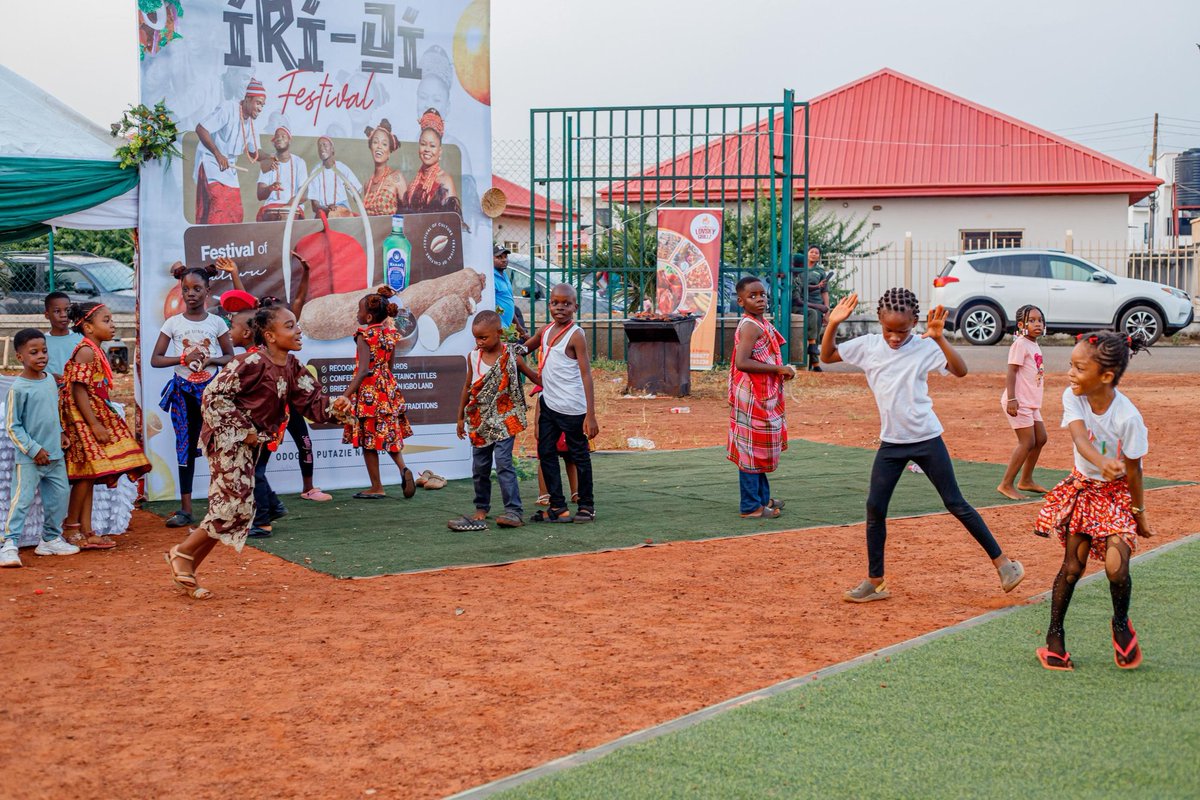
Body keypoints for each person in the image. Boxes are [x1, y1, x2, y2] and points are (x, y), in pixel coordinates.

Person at [821, 289, 1025, 602]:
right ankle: (875, 581)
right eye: (888, 330)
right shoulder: (869, 346)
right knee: (875, 507)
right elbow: (827, 356)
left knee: (955, 502)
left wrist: (939, 338)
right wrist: (833, 323)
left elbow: (960, 370)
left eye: (902, 331)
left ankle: (1005, 566)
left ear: (915, 323)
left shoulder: (924, 346)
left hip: (927, 438)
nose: (894, 338)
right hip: (892, 443)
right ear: (879, 322)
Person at [164, 305, 352, 599]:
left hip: (251, 443)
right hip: (227, 439)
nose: (298, 330)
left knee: (236, 511)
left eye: (296, 325)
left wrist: (335, 408)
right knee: (231, 505)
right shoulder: (249, 362)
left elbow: (313, 403)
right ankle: (182, 552)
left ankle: (186, 564)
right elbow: (213, 396)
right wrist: (244, 429)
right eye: (290, 326)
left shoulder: (292, 367)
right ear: (270, 336)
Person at [1034, 332, 1153, 671]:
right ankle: (1054, 639)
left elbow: (1135, 473)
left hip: (1117, 496)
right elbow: (1079, 438)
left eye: (1079, 367)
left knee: (1117, 569)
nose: (1070, 373)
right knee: (1073, 567)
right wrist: (1102, 464)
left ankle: (1120, 624)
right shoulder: (1074, 398)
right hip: (1085, 488)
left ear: (1105, 376)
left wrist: (1139, 515)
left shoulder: (1128, 418)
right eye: (1071, 365)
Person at [216, 255, 332, 510]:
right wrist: (235, 273)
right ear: (265, 331)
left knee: (302, 443)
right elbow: (243, 302)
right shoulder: (255, 354)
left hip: (289, 399)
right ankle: (268, 510)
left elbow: (299, 301)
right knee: (258, 462)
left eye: (291, 323)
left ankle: (306, 489)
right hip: (266, 408)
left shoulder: (289, 364)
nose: (294, 330)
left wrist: (307, 273)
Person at [59, 302, 151, 550]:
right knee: (85, 474)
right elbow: (78, 390)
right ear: (89, 327)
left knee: (91, 473)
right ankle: (71, 528)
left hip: (92, 413)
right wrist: (94, 424)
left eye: (111, 320)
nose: (113, 325)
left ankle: (88, 530)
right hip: (83, 417)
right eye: (106, 320)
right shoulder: (86, 351)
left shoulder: (94, 349)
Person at [152, 264, 235, 529]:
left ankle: (218, 508)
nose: (191, 294)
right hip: (184, 393)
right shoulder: (173, 323)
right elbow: (156, 359)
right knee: (185, 448)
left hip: (211, 394)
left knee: (215, 448)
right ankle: (186, 509)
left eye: (197, 289)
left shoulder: (216, 322)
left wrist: (211, 359)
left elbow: (230, 356)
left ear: (208, 292)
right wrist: (184, 358)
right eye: (186, 289)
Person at [449, 311, 539, 531]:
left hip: (504, 419)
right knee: (480, 466)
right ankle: (481, 507)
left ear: (499, 333)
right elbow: (467, 387)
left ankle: (513, 511)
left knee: (504, 462)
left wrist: (552, 385)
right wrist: (460, 417)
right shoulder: (472, 357)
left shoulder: (511, 356)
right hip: (480, 421)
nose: (479, 343)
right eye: (476, 338)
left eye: (484, 338)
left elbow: (532, 375)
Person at [1, 330, 78, 567]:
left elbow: (52, 414)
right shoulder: (18, 388)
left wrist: (62, 434)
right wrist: (34, 450)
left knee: (60, 497)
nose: (41, 356)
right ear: (19, 357)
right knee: (21, 500)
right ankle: (9, 545)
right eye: (33, 352)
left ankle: (50, 539)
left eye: (44, 351)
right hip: (30, 460)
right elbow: (13, 427)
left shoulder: (49, 381)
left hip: (55, 455)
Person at [524, 284, 598, 523]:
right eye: (556, 303)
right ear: (549, 305)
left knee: (579, 456)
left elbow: (586, 374)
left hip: (572, 408)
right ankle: (558, 506)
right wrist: (505, 347)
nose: (560, 308)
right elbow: (525, 347)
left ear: (575, 307)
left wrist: (591, 415)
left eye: (566, 304)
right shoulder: (545, 331)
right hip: (548, 405)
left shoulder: (576, 335)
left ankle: (586, 505)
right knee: (546, 453)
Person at [729, 276, 796, 519]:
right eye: (752, 296)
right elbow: (742, 362)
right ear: (740, 301)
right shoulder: (750, 326)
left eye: (762, 295)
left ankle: (761, 498)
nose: (760, 300)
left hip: (761, 394)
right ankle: (751, 506)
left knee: (757, 448)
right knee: (750, 450)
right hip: (752, 396)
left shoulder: (759, 323)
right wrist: (778, 369)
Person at [342, 287, 416, 500]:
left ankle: (376, 486)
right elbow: (390, 366)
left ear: (368, 316)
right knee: (389, 432)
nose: (357, 314)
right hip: (387, 389)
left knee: (368, 440)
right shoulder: (391, 334)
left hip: (368, 391)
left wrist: (346, 394)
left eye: (359, 310)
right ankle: (403, 468)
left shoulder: (364, 335)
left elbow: (364, 369)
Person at [194, 77, 273, 224]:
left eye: (263, 105)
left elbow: (253, 152)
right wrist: (218, 155)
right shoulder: (228, 108)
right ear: (247, 99)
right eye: (258, 103)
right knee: (219, 204)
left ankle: (226, 244)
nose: (260, 108)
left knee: (236, 211)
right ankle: (213, 242)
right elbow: (201, 129)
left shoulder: (252, 122)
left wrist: (270, 156)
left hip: (230, 167)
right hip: (211, 160)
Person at [997, 305, 1048, 499]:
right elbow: (1012, 371)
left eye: (1040, 320)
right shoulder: (1020, 344)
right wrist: (1012, 398)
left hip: (1031, 402)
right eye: (1032, 320)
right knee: (1027, 442)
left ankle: (1026, 480)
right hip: (1018, 402)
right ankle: (1006, 484)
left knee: (1040, 438)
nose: (1037, 324)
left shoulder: (1033, 343)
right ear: (1021, 325)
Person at [402, 108, 461, 217]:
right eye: (423, 144)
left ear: (440, 151)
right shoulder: (414, 183)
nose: (427, 149)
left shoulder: (445, 181)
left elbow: (452, 223)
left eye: (432, 146)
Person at [256, 115, 308, 221]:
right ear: (274, 142)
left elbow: (304, 194)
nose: (279, 138)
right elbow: (260, 195)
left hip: (293, 207)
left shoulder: (299, 162)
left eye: (283, 136)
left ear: (289, 140)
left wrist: (288, 206)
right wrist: (270, 188)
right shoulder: (267, 162)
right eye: (277, 137)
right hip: (271, 208)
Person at [791, 246, 830, 371]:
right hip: (801, 304)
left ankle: (815, 363)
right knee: (805, 332)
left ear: (819, 256)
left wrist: (826, 310)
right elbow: (801, 289)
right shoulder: (796, 270)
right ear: (807, 254)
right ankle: (810, 361)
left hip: (815, 303)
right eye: (811, 252)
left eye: (816, 253)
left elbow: (824, 292)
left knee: (815, 332)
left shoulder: (820, 271)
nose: (813, 254)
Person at [361, 119, 407, 216]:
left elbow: (408, 215)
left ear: (389, 152)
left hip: (391, 230)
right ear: (371, 148)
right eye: (375, 142)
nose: (379, 147)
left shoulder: (397, 178)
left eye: (384, 144)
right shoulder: (367, 185)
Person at [309, 135, 362, 219]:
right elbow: (315, 206)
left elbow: (357, 196)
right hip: (323, 212)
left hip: (343, 211)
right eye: (319, 146)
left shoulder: (342, 168)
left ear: (332, 149)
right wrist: (327, 209)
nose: (321, 148)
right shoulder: (315, 171)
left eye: (324, 145)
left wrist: (351, 189)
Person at [43, 291, 82, 385]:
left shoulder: (81, 338)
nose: (63, 315)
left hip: (77, 393)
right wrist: (49, 377)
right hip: (50, 392)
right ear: (47, 315)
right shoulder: (41, 341)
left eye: (67, 310)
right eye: (57, 311)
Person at [493, 244, 527, 336]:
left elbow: (509, 302)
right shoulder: (491, 278)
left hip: (507, 328)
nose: (504, 260)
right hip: (498, 329)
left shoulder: (504, 275)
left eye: (505, 256)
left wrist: (519, 327)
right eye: (499, 257)